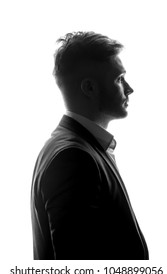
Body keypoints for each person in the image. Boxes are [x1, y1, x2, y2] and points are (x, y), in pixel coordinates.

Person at [31, 31, 149, 260]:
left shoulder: (73, 147)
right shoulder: (74, 158)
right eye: (119, 78)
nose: (129, 88)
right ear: (89, 88)